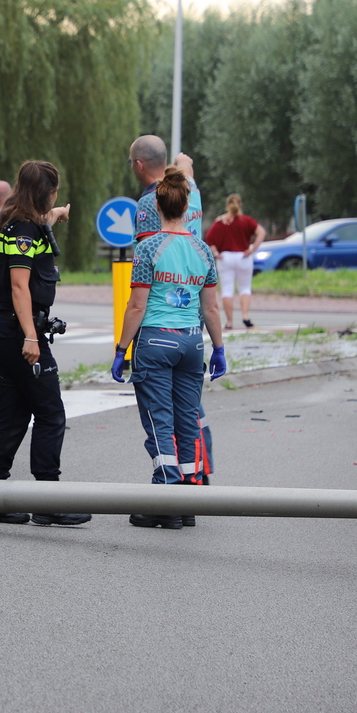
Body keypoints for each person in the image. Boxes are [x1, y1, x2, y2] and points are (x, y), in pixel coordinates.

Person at [0, 160, 90, 527]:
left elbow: (37, 230)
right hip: (19, 333)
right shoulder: (24, 228)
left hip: (4, 333)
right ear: (44, 192)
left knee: (14, 413)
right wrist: (31, 337)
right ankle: (48, 500)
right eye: (53, 193)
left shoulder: (15, 220)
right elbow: (20, 285)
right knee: (51, 413)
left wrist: (55, 214)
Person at [112, 168, 226, 530]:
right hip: (192, 342)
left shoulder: (148, 248)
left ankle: (165, 495)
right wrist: (219, 348)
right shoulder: (202, 249)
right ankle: (188, 500)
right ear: (186, 205)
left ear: (157, 205)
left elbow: (136, 306)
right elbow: (211, 307)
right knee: (187, 419)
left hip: (156, 340)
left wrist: (121, 349)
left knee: (160, 421)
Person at [127, 134, 214, 485]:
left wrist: (123, 347)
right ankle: (196, 479)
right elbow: (187, 164)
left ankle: (169, 487)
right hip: (192, 320)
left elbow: (139, 295)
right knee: (190, 410)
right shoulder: (190, 190)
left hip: (158, 325)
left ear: (138, 165)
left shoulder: (150, 206)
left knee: (162, 414)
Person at [203, 194, 265, 329]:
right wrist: (253, 249)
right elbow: (261, 232)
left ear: (227, 205)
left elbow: (209, 238)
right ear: (240, 205)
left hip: (225, 258)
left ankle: (230, 321)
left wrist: (215, 253)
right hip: (243, 257)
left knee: (227, 290)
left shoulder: (220, 222)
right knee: (245, 288)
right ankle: (245, 316)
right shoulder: (247, 221)